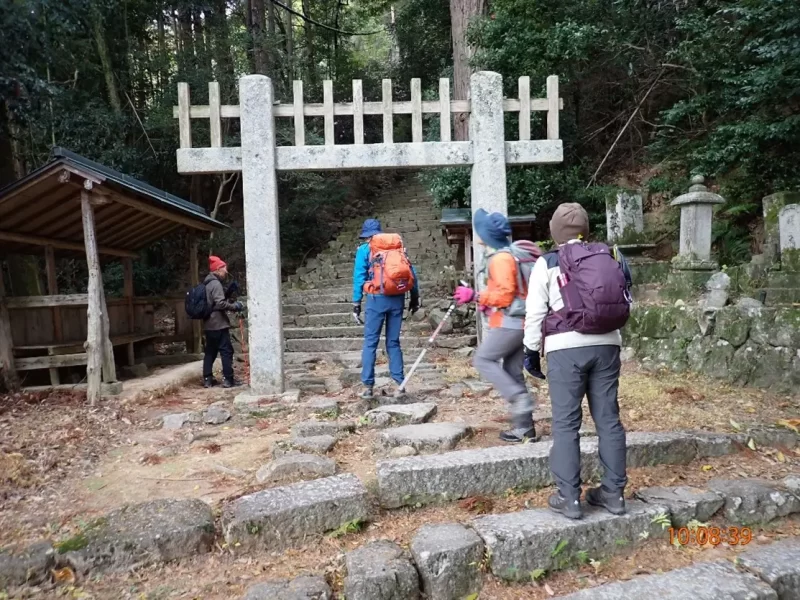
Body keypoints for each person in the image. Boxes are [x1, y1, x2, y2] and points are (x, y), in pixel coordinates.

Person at [523, 203, 631, 520]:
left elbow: (535, 312)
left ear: (555, 232)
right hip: (607, 344)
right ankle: (614, 494)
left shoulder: (548, 262)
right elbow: (625, 298)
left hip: (564, 348)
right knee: (608, 419)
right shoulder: (609, 256)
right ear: (586, 229)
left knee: (566, 423)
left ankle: (569, 498)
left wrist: (531, 351)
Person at [453, 209, 539, 443]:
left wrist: (475, 296)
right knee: (512, 370)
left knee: (483, 359)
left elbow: (504, 296)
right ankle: (525, 429)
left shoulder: (501, 259)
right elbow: (508, 292)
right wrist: (485, 301)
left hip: (511, 323)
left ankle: (519, 398)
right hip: (522, 321)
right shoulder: (508, 255)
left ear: (486, 236)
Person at [352, 218, 420, 399]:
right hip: (397, 298)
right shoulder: (396, 248)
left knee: (370, 342)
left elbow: (359, 277)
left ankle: (368, 386)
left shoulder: (364, 250)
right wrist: (415, 298)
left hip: (376, 299)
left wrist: (356, 303)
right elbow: (411, 273)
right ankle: (400, 383)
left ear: (366, 235)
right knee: (393, 342)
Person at [203, 255, 244, 388]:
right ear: (217, 269)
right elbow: (220, 303)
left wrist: (227, 293)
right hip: (218, 323)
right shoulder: (216, 284)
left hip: (208, 323)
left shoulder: (207, 283)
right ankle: (228, 379)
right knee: (226, 351)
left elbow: (213, 301)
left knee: (210, 351)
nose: (226, 271)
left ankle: (207, 379)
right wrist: (235, 306)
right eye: (224, 268)